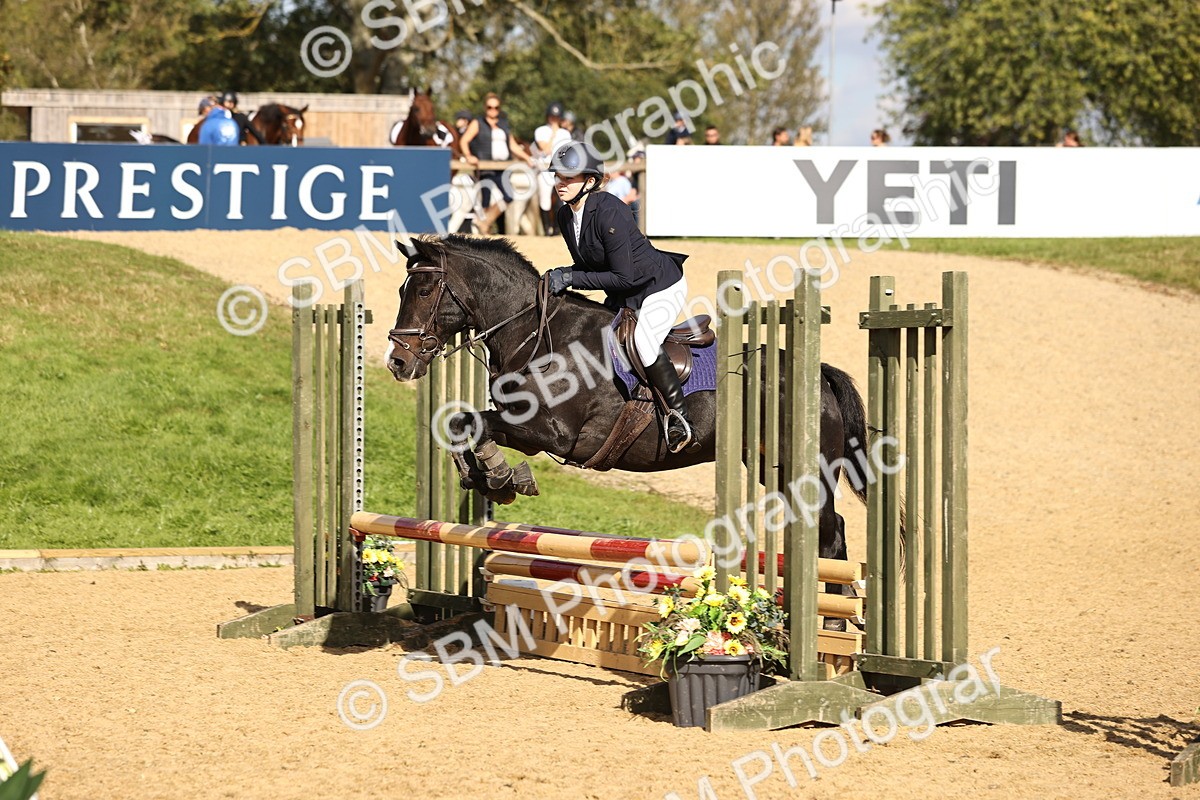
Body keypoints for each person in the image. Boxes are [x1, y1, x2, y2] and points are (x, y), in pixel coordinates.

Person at [543, 144, 698, 454]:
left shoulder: (610, 210)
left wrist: (570, 278)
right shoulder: (564, 215)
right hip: (622, 290)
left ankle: (679, 416)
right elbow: (590, 267)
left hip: (657, 286)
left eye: (568, 177)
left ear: (589, 181)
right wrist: (562, 274)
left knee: (643, 342)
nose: (560, 182)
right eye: (558, 175)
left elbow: (625, 276)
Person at [459, 92, 534, 234]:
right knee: (485, 200)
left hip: (502, 167)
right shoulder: (477, 123)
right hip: (485, 167)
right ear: (485, 107)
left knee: (508, 195)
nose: (493, 110)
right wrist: (469, 156)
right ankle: (484, 229)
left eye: (496, 107)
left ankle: (485, 222)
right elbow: (464, 141)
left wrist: (527, 157)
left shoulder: (503, 124)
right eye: (489, 107)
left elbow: (512, 145)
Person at [533, 101, 573, 236]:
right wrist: (553, 134)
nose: (554, 119)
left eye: (556, 117)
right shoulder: (541, 131)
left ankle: (557, 229)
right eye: (552, 116)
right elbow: (545, 149)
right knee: (544, 201)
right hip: (544, 169)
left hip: (559, 169)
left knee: (560, 199)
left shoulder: (566, 133)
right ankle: (546, 229)